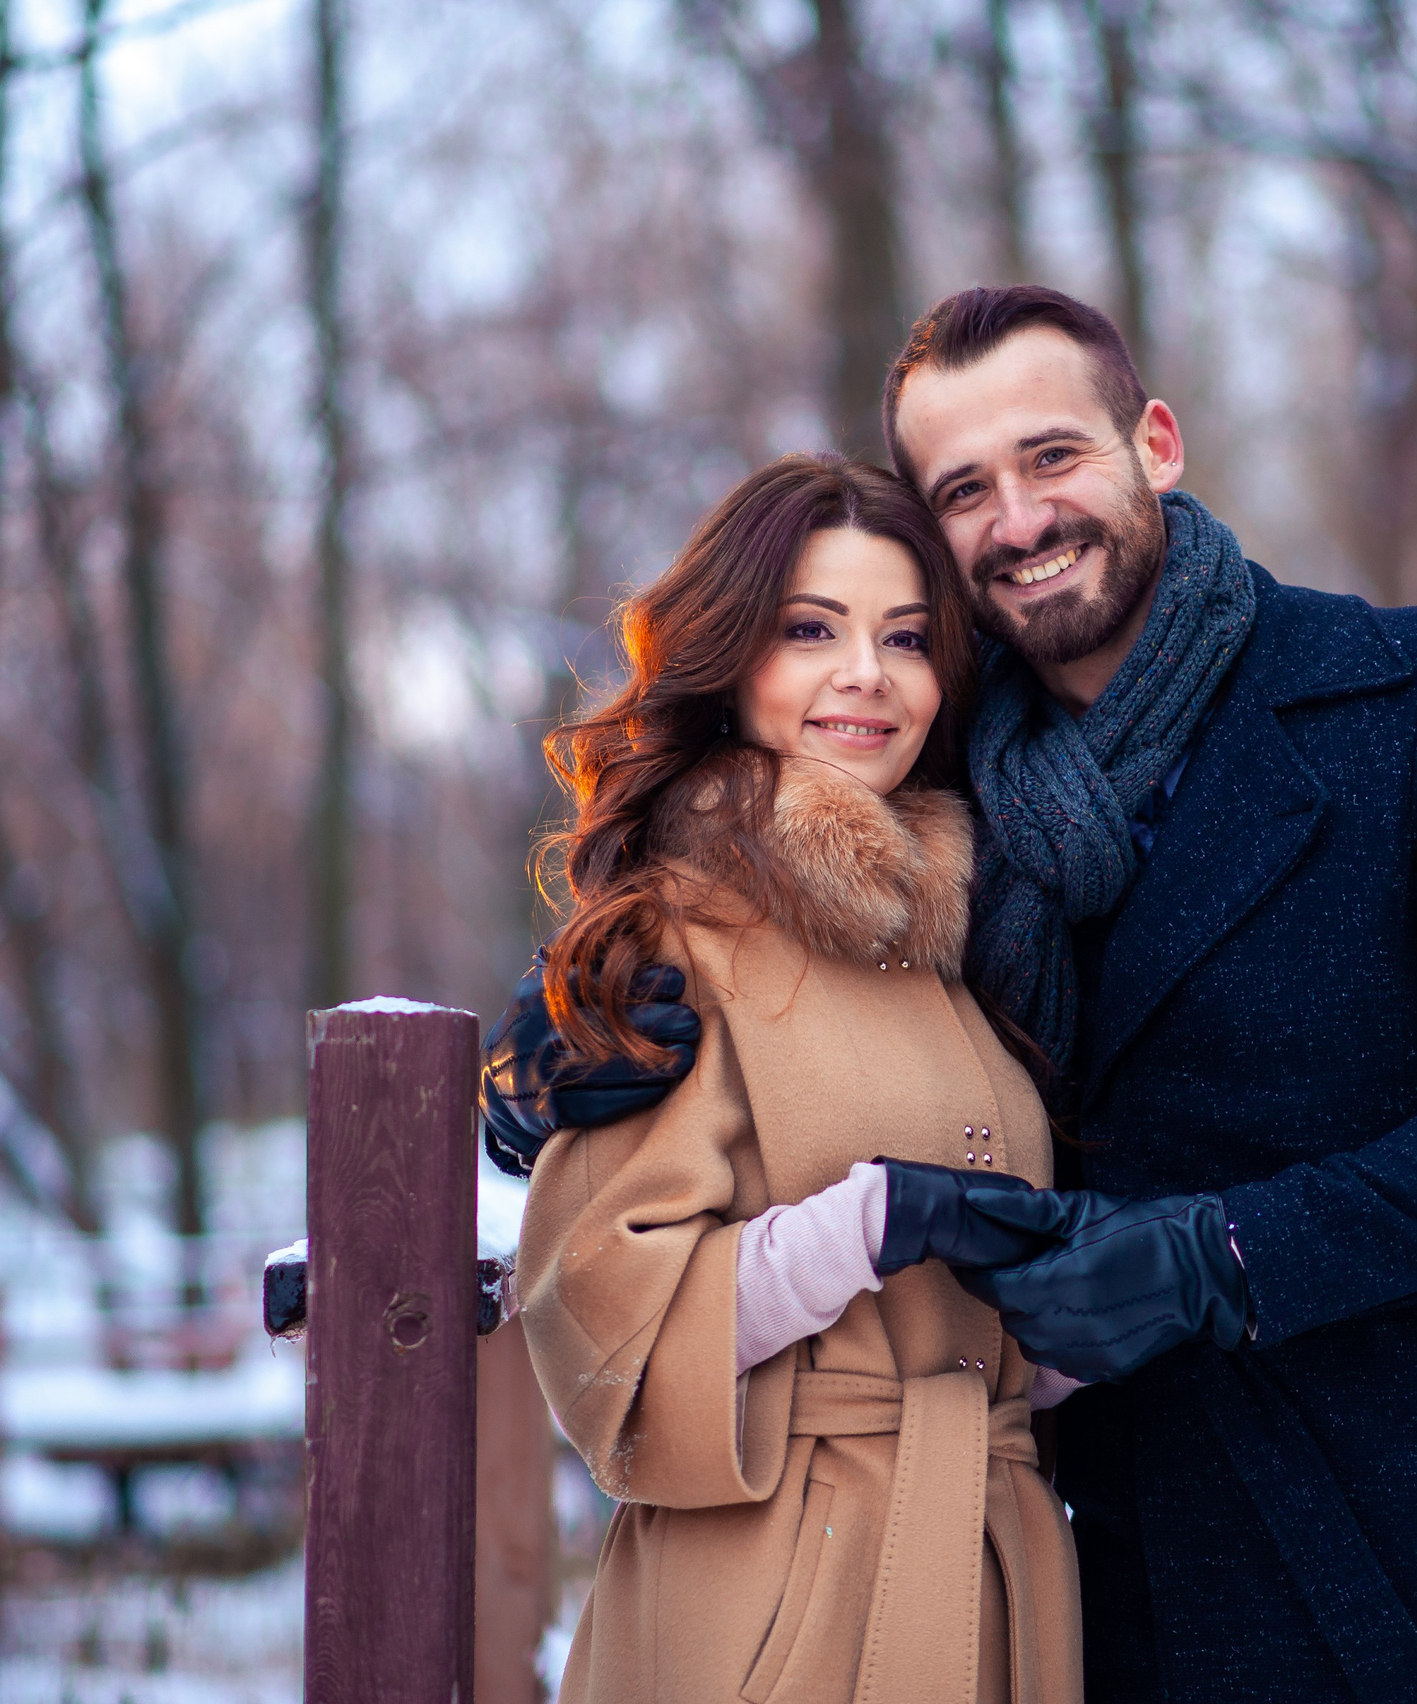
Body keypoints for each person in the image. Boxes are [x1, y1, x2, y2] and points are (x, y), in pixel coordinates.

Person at [497, 286, 1417, 1703]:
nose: (1023, 518)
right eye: (966, 489)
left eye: (1053, 456)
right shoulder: (940, 791)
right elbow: (759, 886)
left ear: (1154, 443)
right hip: (1128, 1561)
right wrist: (567, 1022)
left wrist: (1223, 1256)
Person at [494, 454, 1086, 1704]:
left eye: (908, 636)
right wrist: (865, 1229)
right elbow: (606, 1333)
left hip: (991, 1580)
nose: (865, 674)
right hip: (773, 1606)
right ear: (728, 659)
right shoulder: (668, 940)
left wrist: (1097, 1299)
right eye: (810, 629)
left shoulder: (956, 943)